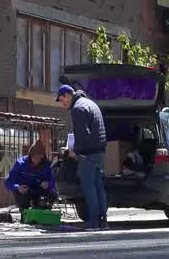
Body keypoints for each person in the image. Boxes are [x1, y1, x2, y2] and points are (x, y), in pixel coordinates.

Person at [56, 83, 107, 230]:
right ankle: (103, 221)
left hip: (88, 153)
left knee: (88, 186)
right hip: (100, 151)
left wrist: (75, 151)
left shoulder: (77, 109)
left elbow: (83, 134)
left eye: (62, 99)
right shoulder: (91, 104)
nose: (62, 103)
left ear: (67, 95)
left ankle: (93, 222)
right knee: (98, 186)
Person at [4, 139, 57, 211]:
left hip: (40, 192)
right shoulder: (20, 163)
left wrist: (48, 184)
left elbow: (54, 183)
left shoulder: (47, 165)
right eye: (34, 157)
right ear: (30, 155)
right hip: (25, 192)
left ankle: (41, 211)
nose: (36, 160)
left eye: (39, 157)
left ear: (42, 157)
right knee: (22, 196)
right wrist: (18, 188)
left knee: (52, 194)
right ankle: (24, 212)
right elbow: (8, 182)